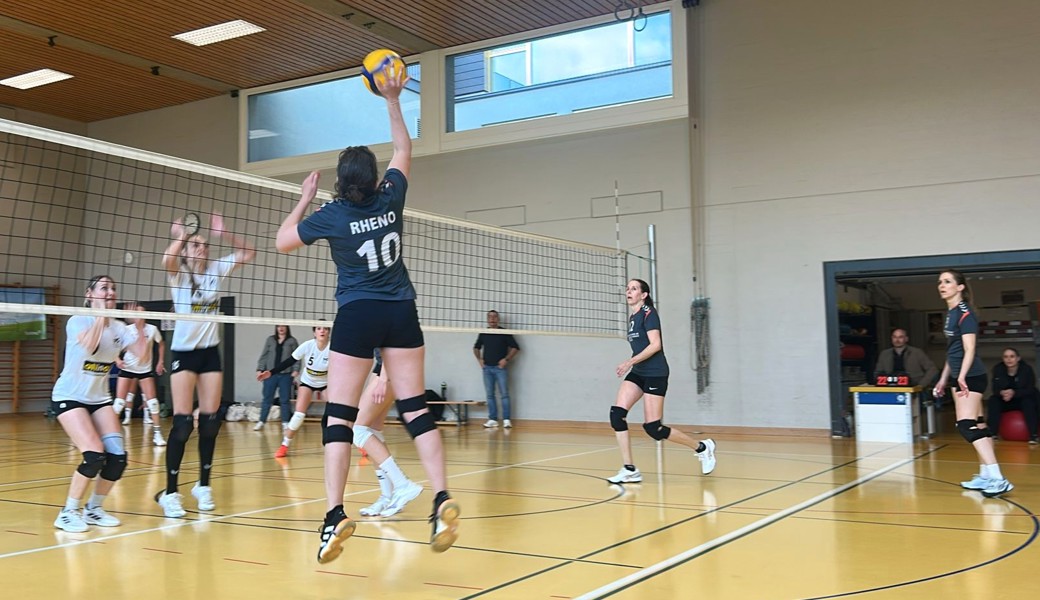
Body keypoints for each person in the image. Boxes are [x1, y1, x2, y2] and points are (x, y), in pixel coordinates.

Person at [276, 64, 459, 564]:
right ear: (376, 179)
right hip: (402, 311)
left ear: (341, 182)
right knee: (416, 408)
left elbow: (282, 242)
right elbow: (405, 148)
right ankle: (441, 497)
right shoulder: (392, 197)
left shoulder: (331, 215)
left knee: (338, 415)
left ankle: (334, 514)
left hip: (356, 315)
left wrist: (302, 201)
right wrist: (392, 98)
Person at [156, 213, 255, 517]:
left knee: (211, 422)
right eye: (196, 245)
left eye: (204, 244)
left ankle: (203, 485)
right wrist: (183, 236)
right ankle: (170, 493)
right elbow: (166, 259)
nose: (202, 248)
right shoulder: (179, 275)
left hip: (210, 351)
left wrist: (224, 232)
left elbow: (249, 252)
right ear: (186, 250)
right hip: (184, 354)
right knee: (184, 423)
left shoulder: (215, 270)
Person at [607, 279, 716, 484]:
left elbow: (655, 345)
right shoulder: (633, 317)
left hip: (656, 372)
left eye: (634, 289)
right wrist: (633, 364)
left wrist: (629, 361)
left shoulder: (649, 314)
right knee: (616, 415)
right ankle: (630, 469)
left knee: (653, 428)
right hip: (639, 372)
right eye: (628, 289)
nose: (629, 292)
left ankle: (702, 448)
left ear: (644, 294)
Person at [51, 275, 130, 532]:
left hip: (99, 398)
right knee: (95, 455)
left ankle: (93, 509)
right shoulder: (77, 321)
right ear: (89, 294)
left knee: (117, 458)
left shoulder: (119, 328)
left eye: (113, 288)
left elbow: (141, 357)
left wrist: (139, 326)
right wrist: (100, 316)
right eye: (104, 288)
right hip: (69, 396)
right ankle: (67, 512)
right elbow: (91, 347)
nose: (110, 292)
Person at [934, 270, 1013, 497]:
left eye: (947, 282)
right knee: (978, 424)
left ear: (960, 287)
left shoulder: (964, 313)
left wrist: (961, 377)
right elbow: (953, 351)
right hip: (960, 374)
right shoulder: (949, 313)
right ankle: (986, 475)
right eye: (940, 282)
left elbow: (970, 348)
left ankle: (998, 478)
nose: (942, 285)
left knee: (964, 425)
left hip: (970, 376)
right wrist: (943, 378)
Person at [355, 349, 422, 517]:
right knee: (372, 430)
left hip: (390, 369)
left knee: (357, 430)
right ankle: (387, 497)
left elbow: (390, 344)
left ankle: (402, 485)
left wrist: (383, 378)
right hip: (385, 368)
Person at [113, 304, 167, 446]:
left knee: (153, 402)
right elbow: (114, 346)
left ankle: (157, 434)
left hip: (144, 370)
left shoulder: (152, 329)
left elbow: (161, 344)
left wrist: (160, 362)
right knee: (119, 403)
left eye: (143, 313)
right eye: (137, 313)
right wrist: (117, 359)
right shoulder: (126, 330)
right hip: (128, 368)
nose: (140, 315)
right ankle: (110, 434)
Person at [272, 324, 330, 458]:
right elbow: (290, 361)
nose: (322, 331)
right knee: (298, 415)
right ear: (314, 332)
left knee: (337, 412)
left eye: (325, 328)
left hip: (326, 383)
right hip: (308, 382)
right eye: (319, 328)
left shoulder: (333, 348)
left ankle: (360, 443)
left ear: (328, 332)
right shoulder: (308, 345)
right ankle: (284, 445)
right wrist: (271, 372)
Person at [473, 310, 520, 428]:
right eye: (490, 317)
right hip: (487, 368)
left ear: (498, 319)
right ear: (487, 319)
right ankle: (492, 419)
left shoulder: (504, 332)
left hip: (500, 369)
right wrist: (480, 360)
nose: (492, 319)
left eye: (494, 317)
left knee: (504, 394)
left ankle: (506, 420)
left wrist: (506, 359)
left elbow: (516, 347)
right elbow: (476, 347)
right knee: (490, 395)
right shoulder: (484, 332)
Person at [987, 347, 1039, 444]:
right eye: (1006, 357)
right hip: (1006, 400)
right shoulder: (998, 369)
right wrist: (1002, 393)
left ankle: (1033, 435)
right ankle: (992, 433)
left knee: (1029, 402)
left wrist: (1014, 392)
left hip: (1022, 399)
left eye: (1012, 356)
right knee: (993, 401)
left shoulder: (1026, 369)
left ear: (1018, 358)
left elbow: (1030, 389)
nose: (1009, 359)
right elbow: (995, 389)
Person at [255, 325, 299, 431]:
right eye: (279, 326)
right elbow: (264, 355)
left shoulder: (292, 341)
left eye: (283, 326)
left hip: (286, 374)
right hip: (271, 374)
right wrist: (260, 369)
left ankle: (285, 422)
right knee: (267, 399)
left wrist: (296, 369)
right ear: (276, 327)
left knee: (284, 400)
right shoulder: (270, 340)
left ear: (287, 328)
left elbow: (297, 356)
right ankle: (261, 421)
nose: (281, 328)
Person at [873, 328, 938, 387]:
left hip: (913, 387)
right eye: (894, 337)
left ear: (906, 339)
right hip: (890, 387)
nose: (897, 340)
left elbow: (932, 369)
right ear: (891, 338)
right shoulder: (884, 354)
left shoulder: (917, 352)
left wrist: (921, 385)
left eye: (900, 337)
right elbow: (878, 373)